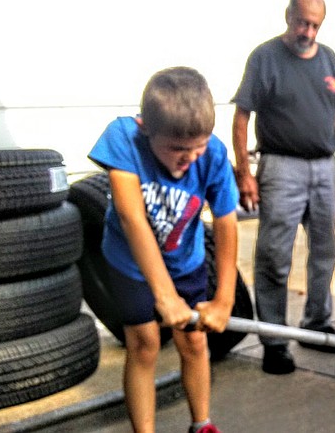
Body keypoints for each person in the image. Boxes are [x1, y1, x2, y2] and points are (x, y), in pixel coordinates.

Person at [89, 66, 238, 433]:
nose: (189, 159)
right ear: (146, 127)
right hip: (130, 262)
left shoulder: (214, 156)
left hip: (185, 260)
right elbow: (131, 217)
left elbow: (226, 223)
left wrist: (224, 300)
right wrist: (164, 296)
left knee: (194, 341)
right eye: (176, 149)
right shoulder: (124, 138)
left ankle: (201, 423)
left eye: (197, 147)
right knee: (145, 344)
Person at [231, 0, 335, 375]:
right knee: (274, 255)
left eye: (315, 25)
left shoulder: (329, 59)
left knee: (324, 250)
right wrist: (245, 174)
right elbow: (241, 118)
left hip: (324, 167)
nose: (308, 32)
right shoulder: (265, 58)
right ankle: (274, 341)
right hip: (281, 167)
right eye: (302, 22)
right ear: (289, 16)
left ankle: (317, 323)